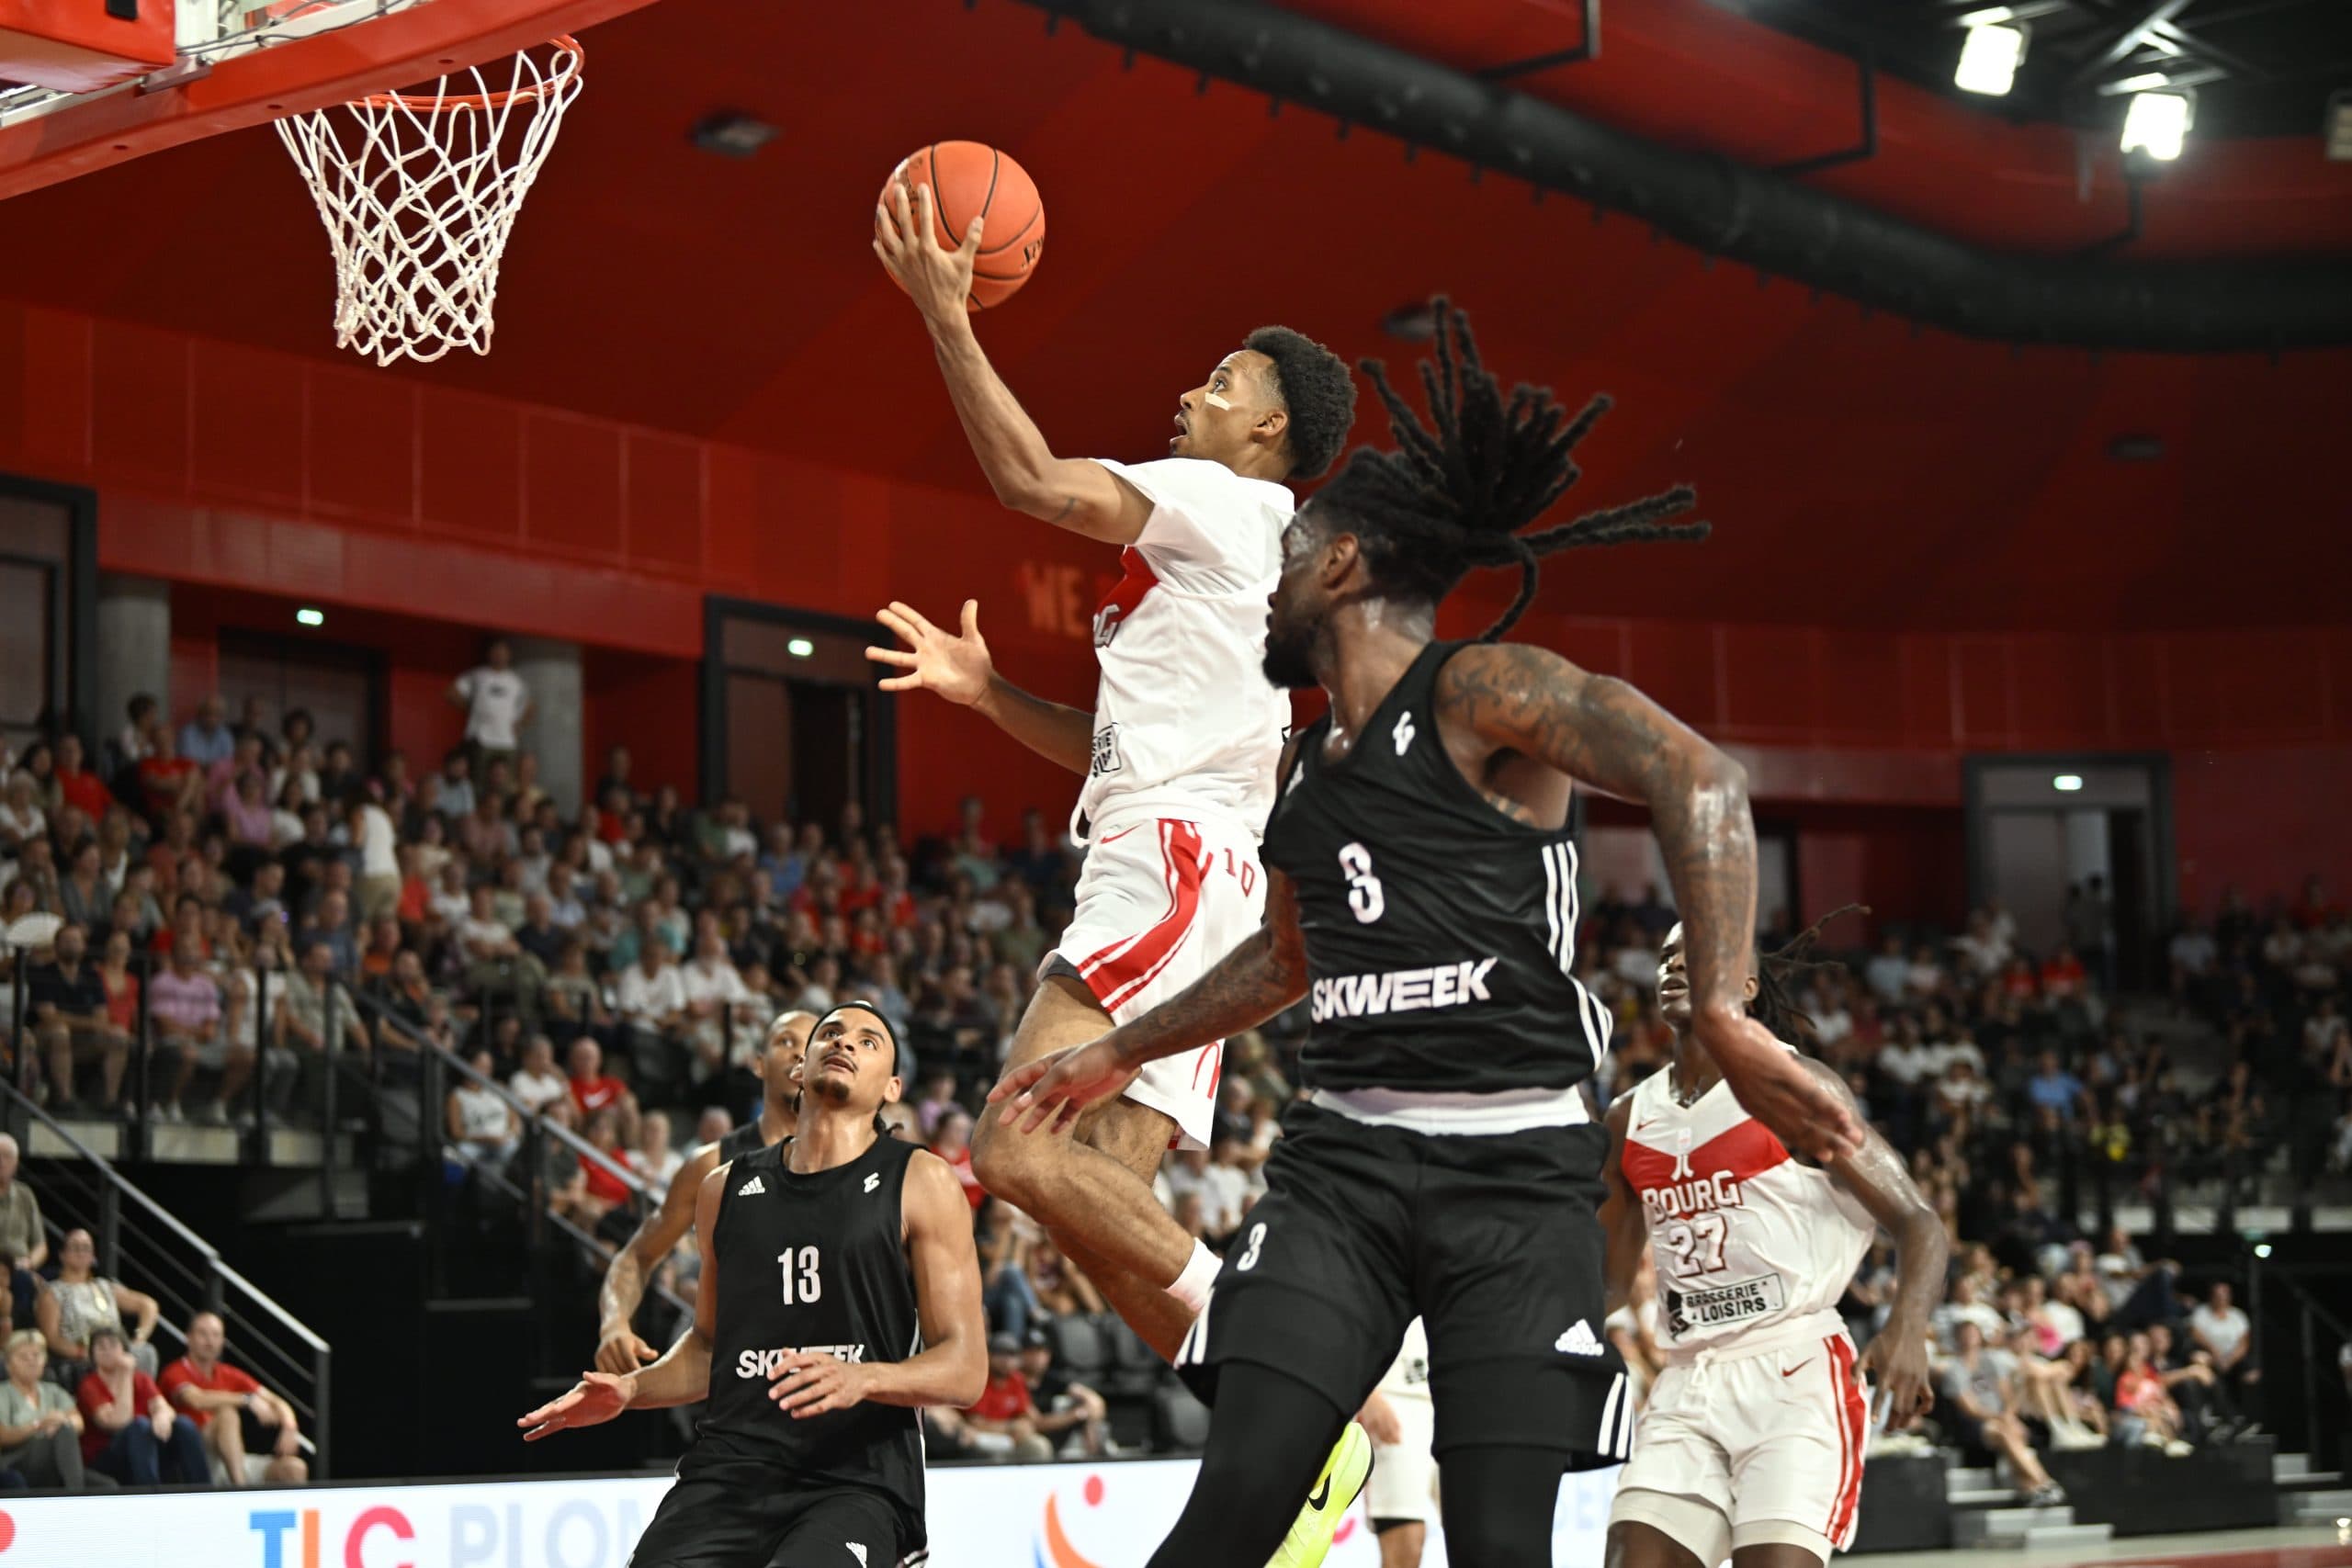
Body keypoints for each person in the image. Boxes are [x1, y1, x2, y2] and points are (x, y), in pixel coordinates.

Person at [994, 302, 1857, 1568]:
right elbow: (1283, 961)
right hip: (1342, 1168)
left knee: (1498, 1543)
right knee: (1231, 1507)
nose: (1267, 580)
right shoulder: (1296, 765)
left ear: (1341, 567)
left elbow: (1704, 780)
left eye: (1294, 554)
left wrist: (1722, 1006)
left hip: (1514, 1177)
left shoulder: (1476, 691)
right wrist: (1120, 1045)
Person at [872, 166, 1362, 1562]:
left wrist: (944, 313)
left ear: (1267, 429)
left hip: (1169, 867)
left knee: (1014, 1139)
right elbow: (1118, 738)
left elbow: (1029, 477)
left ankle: (1310, 1397)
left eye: (1221, 379)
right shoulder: (1246, 545)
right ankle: (1288, 1452)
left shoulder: (1220, 498)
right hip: (1202, 861)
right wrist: (986, 697)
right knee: (1107, 1209)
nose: (1191, 393)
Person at [520, 1002, 987, 1568]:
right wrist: (632, 1390)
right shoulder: (724, 1186)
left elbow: (965, 1369)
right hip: (730, 1472)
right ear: (799, 1068)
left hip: (853, 1480)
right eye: (831, 1033)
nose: (844, 1043)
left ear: (891, 1088)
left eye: (868, 1042)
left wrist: (863, 1377)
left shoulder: (921, 1179)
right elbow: (712, 1348)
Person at [1602, 917, 1949, 1568]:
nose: (1673, 965)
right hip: (1688, 1379)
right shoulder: (1628, 1117)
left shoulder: (1795, 1087)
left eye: (1697, 952)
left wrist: (1908, 1325)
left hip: (1794, 1373)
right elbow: (1612, 1280)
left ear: (1749, 983)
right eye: (1665, 956)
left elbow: (1918, 1218)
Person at [594, 1010, 818, 1375]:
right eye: (786, 1041)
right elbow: (637, 1256)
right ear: (759, 1065)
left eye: (810, 1045)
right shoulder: (712, 1163)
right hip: (735, 1364)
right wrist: (615, 1323)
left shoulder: (857, 1163)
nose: (798, 1054)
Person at [159, 1311, 307, 1484]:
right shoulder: (175, 1371)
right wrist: (247, 1400)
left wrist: (289, 1425)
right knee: (227, 1415)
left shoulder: (228, 1373)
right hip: (193, 1459)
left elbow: (276, 1401)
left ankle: (242, 1486)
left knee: (294, 1469)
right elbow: (196, 1400)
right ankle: (240, 1490)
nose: (210, 1341)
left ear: (222, 1341)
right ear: (188, 1338)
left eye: (216, 1335)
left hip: (231, 1457)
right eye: (203, 1333)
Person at [1941, 1321, 2064, 1504]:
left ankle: (2031, 1487)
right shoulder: (1954, 1370)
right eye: (1965, 1334)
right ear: (1957, 1338)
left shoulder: (1990, 1361)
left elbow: (2007, 1395)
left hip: (2001, 1419)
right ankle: (2044, 1481)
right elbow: (1970, 1408)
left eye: (1973, 1333)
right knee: (2002, 1432)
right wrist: (2002, 1418)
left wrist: (2008, 1416)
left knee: (2010, 1431)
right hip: (1973, 1425)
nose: (1969, 1338)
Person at [78, 1325, 210, 1486]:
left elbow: (164, 1407)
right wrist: (125, 1374)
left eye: (112, 1344)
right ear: (92, 1353)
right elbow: (119, 1423)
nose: (106, 1350)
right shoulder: (90, 1385)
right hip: (107, 1457)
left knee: (184, 1424)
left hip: (145, 1450)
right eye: (100, 1346)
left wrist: (162, 1414)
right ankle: (149, 1495)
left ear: (124, 1349)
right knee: (140, 1425)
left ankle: (203, 1489)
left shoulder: (141, 1379)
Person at [1356, 1319, 1437, 1568]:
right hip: (1393, 1394)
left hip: (1453, 1389)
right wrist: (1365, 1390)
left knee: (1483, 1534)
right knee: (1406, 1541)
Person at [26, 922, 130, 1113]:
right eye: (66, 940)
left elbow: (102, 1016)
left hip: (82, 1039)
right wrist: (87, 1023)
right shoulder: (43, 973)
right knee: (60, 1032)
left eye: (75, 940)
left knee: (119, 1036)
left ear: (83, 946)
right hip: (44, 1037)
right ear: (56, 945)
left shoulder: (91, 975)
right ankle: (65, 1099)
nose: (71, 945)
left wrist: (73, 1020)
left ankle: (110, 1101)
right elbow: (48, 1016)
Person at [40, 1228, 160, 1376]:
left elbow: (148, 1305)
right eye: (75, 1247)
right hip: (83, 1355)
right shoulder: (53, 1292)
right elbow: (52, 1339)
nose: (80, 1251)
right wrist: (84, 1353)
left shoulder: (104, 1286)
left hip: (116, 1350)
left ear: (92, 1256)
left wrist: (139, 1337)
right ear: (62, 1255)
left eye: (86, 1247)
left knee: (145, 1351)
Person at [0, 1327, 87, 1489]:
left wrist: (61, 1420)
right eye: (23, 1357)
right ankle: (77, 1495)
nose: (32, 1361)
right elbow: (4, 1436)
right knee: (64, 1430)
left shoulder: (53, 1390)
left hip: (54, 1462)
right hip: (17, 1460)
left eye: (36, 1355)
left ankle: (76, 1492)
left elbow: (79, 1422)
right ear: (8, 1364)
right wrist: (39, 1424)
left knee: (107, 1484)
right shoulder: (3, 1393)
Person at [449, 638, 532, 775]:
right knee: (479, 780)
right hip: (481, 740)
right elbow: (451, 692)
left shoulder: (515, 681)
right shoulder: (478, 675)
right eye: (496, 651)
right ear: (490, 654)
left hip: (507, 742)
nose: (499, 655)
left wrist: (521, 725)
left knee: (505, 785)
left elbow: (530, 706)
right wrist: (472, 708)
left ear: (509, 655)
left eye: (503, 652)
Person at [0, 1134, 46, 1273]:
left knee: (24, 1280)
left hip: (19, 1269)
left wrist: (29, 1263)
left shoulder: (25, 1195)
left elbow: (41, 1246)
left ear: (15, 1163)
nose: (1, 1162)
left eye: (7, 1156)